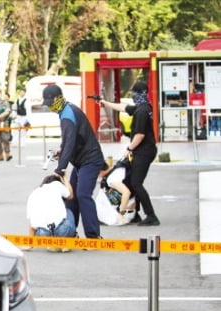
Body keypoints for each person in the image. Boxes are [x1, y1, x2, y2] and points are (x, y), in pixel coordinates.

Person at [42, 84, 106, 238]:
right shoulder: (65, 110)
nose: (50, 106)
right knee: (71, 197)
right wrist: (61, 152)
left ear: (58, 98)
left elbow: (69, 142)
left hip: (90, 160)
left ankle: (93, 237)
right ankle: (70, 233)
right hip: (80, 161)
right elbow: (69, 141)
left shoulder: (67, 114)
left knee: (83, 195)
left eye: (51, 102)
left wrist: (60, 169)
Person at [99, 81, 160, 226]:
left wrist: (129, 149)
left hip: (143, 151)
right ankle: (135, 214)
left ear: (139, 94)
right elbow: (124, 107)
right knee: (131, 182)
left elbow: (140, 135)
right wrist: (105, 103)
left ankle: (151, 216)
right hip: (144, 150)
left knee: (136, 183)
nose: (132, 95)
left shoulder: (142, 112)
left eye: (134, 93)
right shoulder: (143, 107)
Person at [26, 173, 76, 252]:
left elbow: (32, 225)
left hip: (43, 234)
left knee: (39, 220)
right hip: (62, 230)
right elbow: (70, 195)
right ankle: (65, 242)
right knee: (68, 211)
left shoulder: (33, 193)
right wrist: (65, 178)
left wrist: (29, 244)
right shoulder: (56, 184)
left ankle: (51, 243)